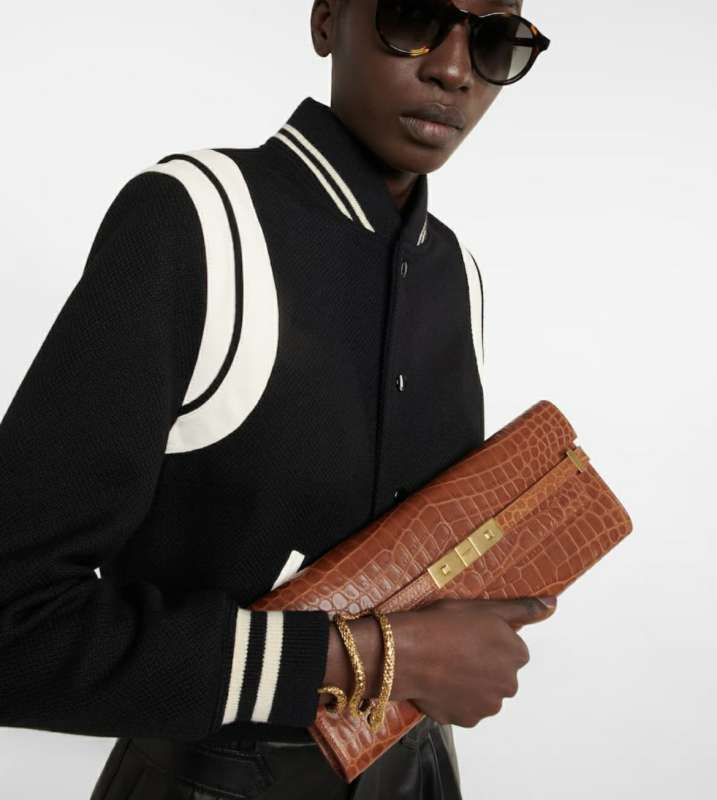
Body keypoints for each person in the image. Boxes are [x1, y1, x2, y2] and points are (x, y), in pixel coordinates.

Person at [0, 1, 555, 797]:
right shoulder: (194, 220)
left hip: (418, 775)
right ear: (326, 20)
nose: (453, 70)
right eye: (411, 19)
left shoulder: (454, 275)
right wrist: (366, 659)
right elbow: (13, 626)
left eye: (496, 41)